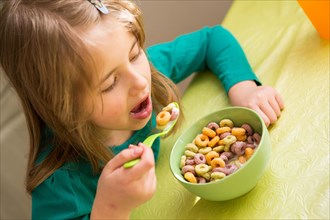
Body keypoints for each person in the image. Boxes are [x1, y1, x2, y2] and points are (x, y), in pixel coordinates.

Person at [0, 0, 284, 219]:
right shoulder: (58, 184)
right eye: (110, 83)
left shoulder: (147, 71)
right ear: (63, 107)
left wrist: (245, 87)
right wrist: (110, 209)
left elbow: (212, 39)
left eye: (135, 53)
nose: (140, 81)